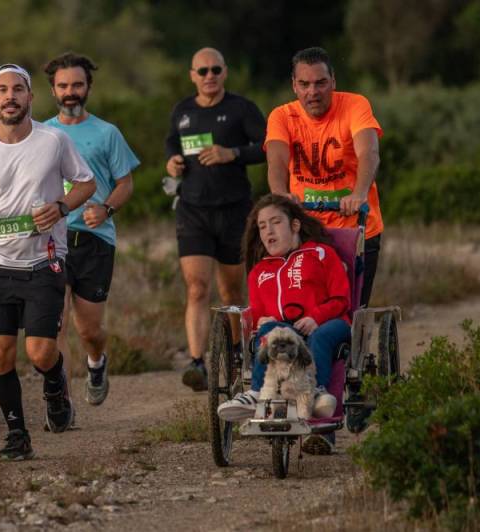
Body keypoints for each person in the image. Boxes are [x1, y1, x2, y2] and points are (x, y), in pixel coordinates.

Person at [0, 64, 95, 461]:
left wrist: (62, 206)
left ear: (31, 97)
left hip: (44, 262)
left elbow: (87, 183)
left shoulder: (54, 140)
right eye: (2, 90)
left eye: (18, 89)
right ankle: (17, 433)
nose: (10, 96)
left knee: (40, 352)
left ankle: (54, 382)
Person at [164, 47, 267, 391]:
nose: (209, 76)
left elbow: (267, 145)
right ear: (191, 75)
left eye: (215, 70)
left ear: (225, 72)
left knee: (231, 290)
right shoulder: (182, 111)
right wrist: (172, 164)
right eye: (202, 71)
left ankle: (238, 354)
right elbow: (171, 148)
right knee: (197, 287)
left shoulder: (241, 109)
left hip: (234, 210)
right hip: (193, 211)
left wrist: (233, 153)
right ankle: (197, 364)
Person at [217, 194, 351, 455]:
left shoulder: (321, 253)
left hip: (330, 323)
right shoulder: (259, 272)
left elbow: (341, 298)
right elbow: (257, 313)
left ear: (295, 225)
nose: (268, 231)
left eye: (275, 222)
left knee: (320, 336)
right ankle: (256, 394)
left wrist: (316, 317)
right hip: (285, 331)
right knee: (270, 331)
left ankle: (315, 392)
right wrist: (263, 321)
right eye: (263, 226)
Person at [43, 52, 140, 406]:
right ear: (53, 90)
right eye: (64, 86)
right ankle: (61, 400)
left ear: (88, 88)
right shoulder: (41, 133)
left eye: (77, 85)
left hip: (95, 239)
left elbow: (125, 183)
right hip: (52, 238)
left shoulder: (107, 133)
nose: (71, 92)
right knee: (56, 324)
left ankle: (96, 362)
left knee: (89, 330)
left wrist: (106, 207)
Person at [266, 46, 383, 307]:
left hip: (356, 226)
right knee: (302, 302)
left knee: (350, 306)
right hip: (307, 228)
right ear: (294, 86)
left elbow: (369, 153)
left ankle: (350, 345)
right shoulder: (282, 116)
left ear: (333, 81)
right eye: (304, 84)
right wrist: (280, 194)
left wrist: (359, 193)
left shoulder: (355, 105)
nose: (313, 92)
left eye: (320, 83)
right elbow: (276, 160)